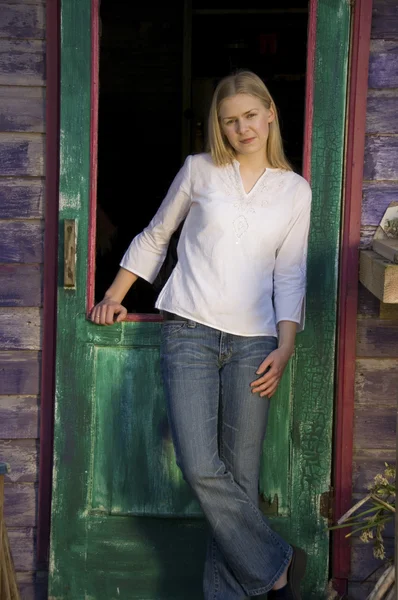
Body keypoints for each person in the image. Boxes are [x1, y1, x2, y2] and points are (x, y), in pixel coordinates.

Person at [90, 70, 311, 599]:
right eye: (230, 120)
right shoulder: (200, 170)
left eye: (250, 116)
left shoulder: (294, 191)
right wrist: (115, 295)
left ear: (270, 113)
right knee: (198, 464)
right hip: (189, 331)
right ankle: (277, 565)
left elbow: (291, 273)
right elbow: (156, 236)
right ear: (220, 124)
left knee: (237, 479)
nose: (242, 128)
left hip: (255, 343)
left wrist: (284, 347)